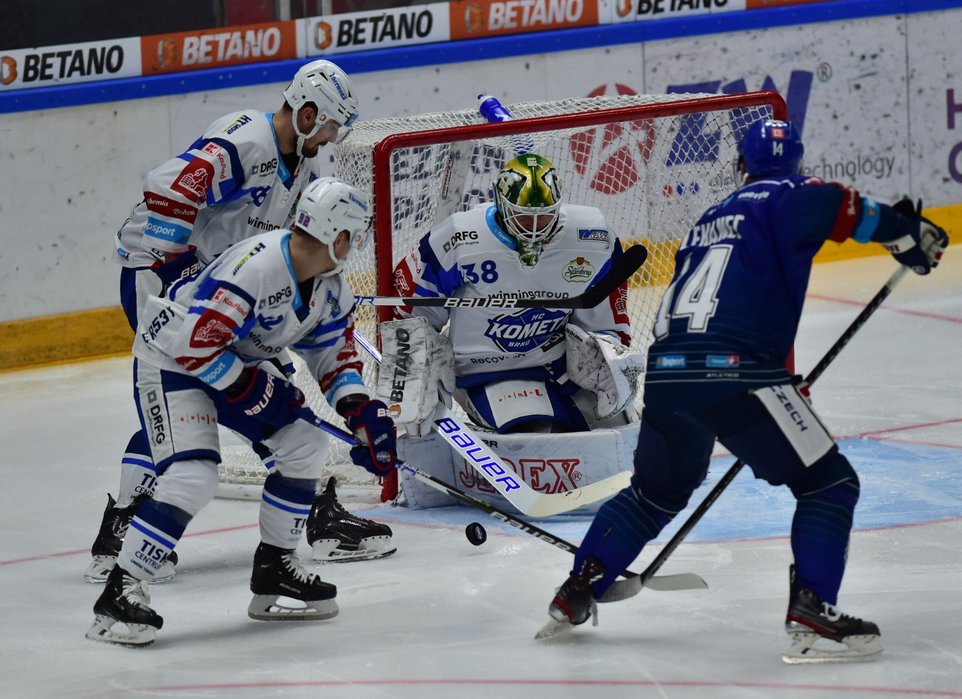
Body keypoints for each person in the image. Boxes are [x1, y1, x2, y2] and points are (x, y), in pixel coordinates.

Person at [544, 119, 950, 663]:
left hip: (669, 373)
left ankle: (580, 586)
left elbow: (728, 306)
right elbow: (852, 210)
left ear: (740, 168)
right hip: (735, 371)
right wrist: (907, 233)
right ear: (798, 164)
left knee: (654, 494)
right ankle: (813, 612)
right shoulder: (795, 194)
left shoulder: (708, 220)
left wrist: (782, 381)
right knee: (829, 483)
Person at [86, 59, 392, 585]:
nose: (334, 135)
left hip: (230, 288)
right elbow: (171, 191)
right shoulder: (246, 140)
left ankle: (308, 505)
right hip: (163, 273)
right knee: (185, 386)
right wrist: (182, 274)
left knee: (263, 388)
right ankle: (124, 523)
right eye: (331, 123)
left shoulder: (308, 171)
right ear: (309, 111)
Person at [86, 177, 398, 647]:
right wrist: (252, 388)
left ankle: (275, 568)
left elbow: (335, 357)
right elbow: (196, 347)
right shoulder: (256, 267)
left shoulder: (329, 288)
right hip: (171, 363)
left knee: (306, 443)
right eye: (353, 237)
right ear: (338, 237)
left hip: (230, 363)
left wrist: (360, 412)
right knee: (194, 476)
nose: (354, 246)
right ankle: (122, 588)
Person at [378, 153, 645, 507]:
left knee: (624, 424)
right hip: (486, 372)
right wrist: (413, 368)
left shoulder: (590, 236)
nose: (533, 228)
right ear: (501, 206)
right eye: (523, 217)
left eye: (543, 217)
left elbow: (606, 305)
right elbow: (404, 306)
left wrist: (608, 347)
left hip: (558, 365)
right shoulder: (461, 238)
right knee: (536, 436)